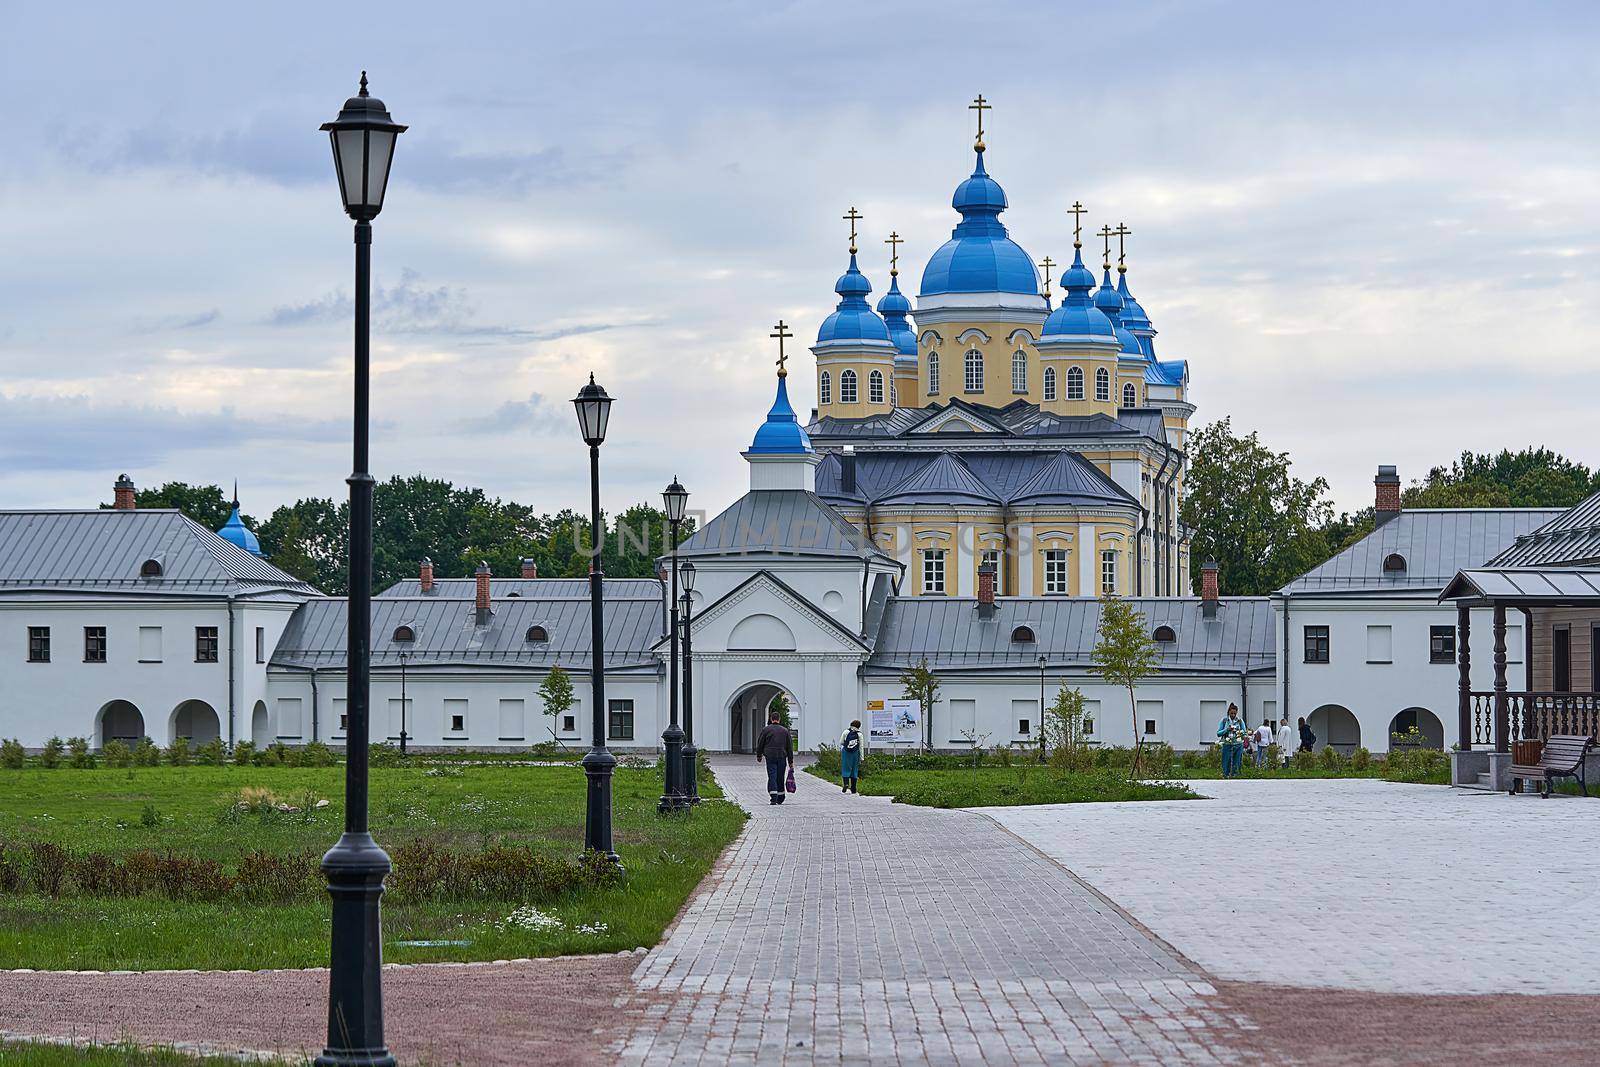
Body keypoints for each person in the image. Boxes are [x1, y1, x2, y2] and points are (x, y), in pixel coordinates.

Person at [755, 710, 795, 805]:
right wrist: (791, 761)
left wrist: (759, 755)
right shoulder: (785, 731)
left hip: (770, 756)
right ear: (779, 719)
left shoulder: (766, 730)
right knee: (780, 776)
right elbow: (789, 747)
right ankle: (781, 797)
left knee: (772, 776)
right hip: (782, 756)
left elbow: (760, 743)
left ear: (771, 719)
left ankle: (773, 797)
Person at [1216, 704, 1246, 778]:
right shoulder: (1224, 721)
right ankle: (1225, 775)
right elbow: (1218, 733)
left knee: (1237, 762)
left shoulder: (1239, 721)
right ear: (1229, 712)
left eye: (1234, 713)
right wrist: (1227, 730)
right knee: (1226, 762)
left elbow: (1244, 733)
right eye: (1231, 713)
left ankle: (1236, 776)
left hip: (1238, 744)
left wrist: (1238, 732)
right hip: (1227, 744)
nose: (1233, 715)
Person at [838, 719, 863, 794]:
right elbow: (861, 746)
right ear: (859, 726)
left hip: (846, 752)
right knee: (854, 769)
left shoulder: (846, 732)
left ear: (851, 725)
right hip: (855, 753)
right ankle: (853, 788)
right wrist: (862, 757)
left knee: (845, 768)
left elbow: (841, 742)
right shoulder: (859, 734)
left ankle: (846, 784)